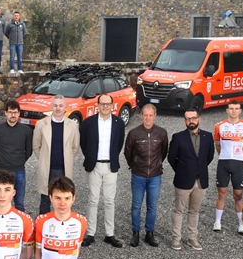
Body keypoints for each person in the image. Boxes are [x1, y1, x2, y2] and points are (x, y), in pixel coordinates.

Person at [78, 93, 125, 248]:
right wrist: (90, 157)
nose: (105, 106)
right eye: (102, 104)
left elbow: (119, 144)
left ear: (112, 106)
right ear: (97, 105)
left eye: (108, 104)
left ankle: (109, 234)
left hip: (111, 165)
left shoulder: (119, 123)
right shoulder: (88, 123)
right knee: (93, 199)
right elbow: (83, 143)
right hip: (94, 165)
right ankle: (90, 233)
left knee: (109, 200)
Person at [167, 109, 214, 250]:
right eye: (188, 119)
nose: (191, 121)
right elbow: (171, 158)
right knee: (178, 210)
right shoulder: (178, 137)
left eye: (194, 118)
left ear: (199, 119)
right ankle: (176, 238)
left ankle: (192, 237)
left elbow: (209, 156)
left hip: (201, 180)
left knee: (194, 211)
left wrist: (198, 169)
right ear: (184, 121)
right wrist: (182, 170)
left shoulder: (208, 136)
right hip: (183, 180)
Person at [124, 103, 169, 247]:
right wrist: (134, 165)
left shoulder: (162, 133)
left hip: (155, 175)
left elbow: (164, 152)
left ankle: (150, 233)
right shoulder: (134, 133)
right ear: (141, 116)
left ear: (155, 116)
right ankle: (135, 233)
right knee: (136, 205)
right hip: (138, 174)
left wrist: (156, 165)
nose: (148, 118)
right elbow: (127, 152)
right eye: (145, 115)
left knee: (152, 206)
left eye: (151, 115)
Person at [33, 94, 81, 216]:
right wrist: (44, 158)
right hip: (47, 169)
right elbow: (36, 146)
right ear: (51, 106)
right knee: (45, 200)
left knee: (63, 201)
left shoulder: (73, 125)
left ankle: (61, 224)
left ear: (65, 107)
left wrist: (66, 158)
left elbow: (75, 147)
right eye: (55, 105)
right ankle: (43, 225)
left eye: (60, 105)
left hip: (64, 169)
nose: (58, 108)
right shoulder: (41, 124)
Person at [212, 101, 243, 235]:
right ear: (227, 110)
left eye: (236, 108)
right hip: (223, 162)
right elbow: (218, 146)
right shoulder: (219, 126)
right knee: (221, 193)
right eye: (231, 108)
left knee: (238, 195)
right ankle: (217, 222)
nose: (234, 111)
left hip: (238, 163)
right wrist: (225, 155)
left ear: (240, 111)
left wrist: (238, 157)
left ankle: (241, 223)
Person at [0, 100, 33, 212]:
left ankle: (20, 222)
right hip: (2, 170)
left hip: (19, 170)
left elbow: (29, 150)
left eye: (15, 112)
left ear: (19, 113)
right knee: (2, 202)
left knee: (19, 203)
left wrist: (20, 161)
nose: (13, 115)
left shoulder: (26, 130)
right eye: (10, 112)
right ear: (5, 113)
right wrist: (1, 161)